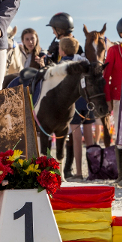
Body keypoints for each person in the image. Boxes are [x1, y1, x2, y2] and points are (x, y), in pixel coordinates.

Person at [46, 12, 84, 178]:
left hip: (66, 97)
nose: (53, 33)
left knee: (68, 132)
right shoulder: (60, 44)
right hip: (66, 96)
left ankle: (66, 168)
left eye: (54, 29)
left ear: (60, 29)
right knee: (66, 133)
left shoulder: (68, 46)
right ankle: (65, 168)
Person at [58, 37, 94, 181]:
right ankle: (93, 171)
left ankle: (79, 172)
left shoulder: (62, 64)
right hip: (87, 101)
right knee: (90, 137)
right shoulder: (83, 61)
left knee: (76, 138)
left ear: (62, 50)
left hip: (74, 103)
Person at [104, 16, 122, 187]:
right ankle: (121, 175)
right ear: (121, 33)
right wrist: (108, 99)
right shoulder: (114, 51)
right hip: (120, 99)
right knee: (121, 136)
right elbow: (106, 76)